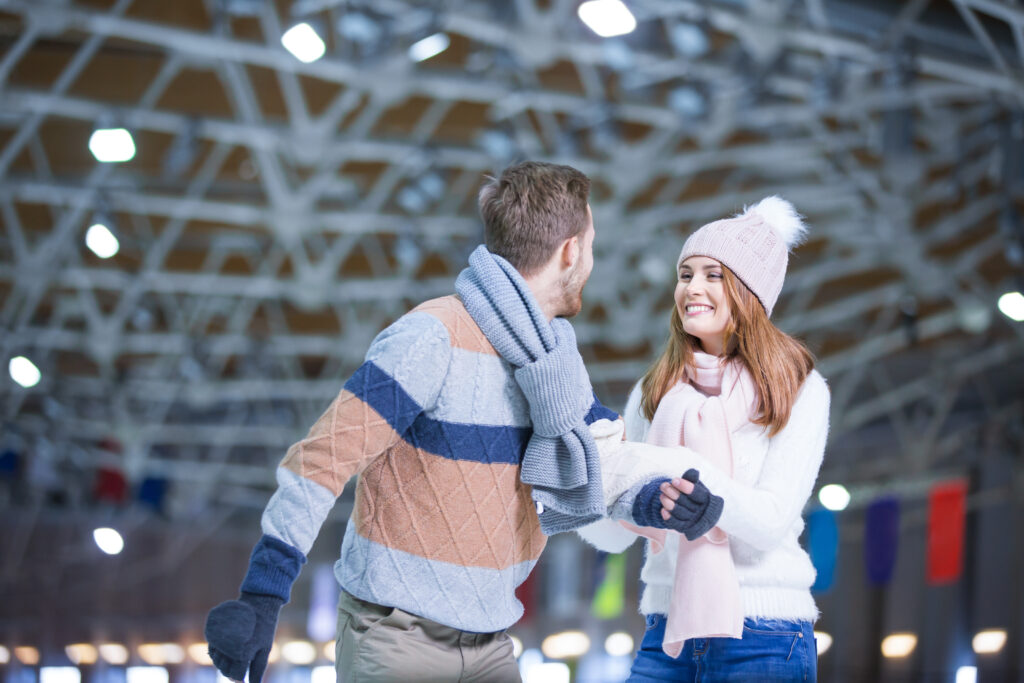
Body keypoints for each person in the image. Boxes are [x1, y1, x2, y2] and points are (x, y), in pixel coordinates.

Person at [202, 161, 702, 683]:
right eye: (592, 245)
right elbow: (324, 457)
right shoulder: (431, 337)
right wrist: (263, 594)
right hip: (398, 640)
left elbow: (596, 455)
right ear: (571, 251)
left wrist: (659, 497)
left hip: (491, 645)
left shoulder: (556, 362)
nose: (591, 261)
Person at [578, 196, 831, 682]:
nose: (692, 287)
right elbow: (612, 534)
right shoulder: (655, 390)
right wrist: (583, 475)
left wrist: (700, 490)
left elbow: (771, 521)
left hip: (766, 636)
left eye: (713, 275)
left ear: (749, 290)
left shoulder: (797, 388)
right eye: (686, 273)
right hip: (666, 637)